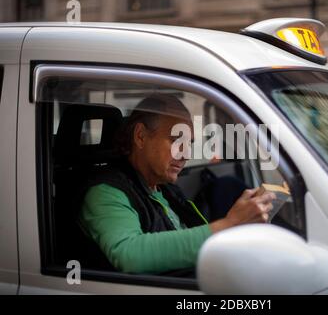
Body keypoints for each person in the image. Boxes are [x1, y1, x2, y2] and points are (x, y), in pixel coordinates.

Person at [79, 94, 276, 275]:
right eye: (176, 140)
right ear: (140, 136)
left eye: (188, 143)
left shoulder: (165, 189)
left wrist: (237, 231)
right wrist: (228, 224)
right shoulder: (105, 192)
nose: (185, 154)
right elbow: (129, 254)